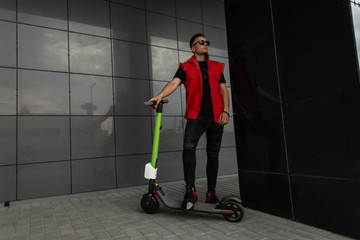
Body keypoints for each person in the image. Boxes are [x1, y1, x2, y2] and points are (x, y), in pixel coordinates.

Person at [148, 33, 230, 211]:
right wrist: (160, 96)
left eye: (206, 41)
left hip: (217, 117)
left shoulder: (217, 67)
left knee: (213, 155)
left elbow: (224, 90)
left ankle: (211, 194)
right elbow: (174, 83)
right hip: (196, 116)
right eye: (201, 42)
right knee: (188, 149)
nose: (205, 44)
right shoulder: (186, 67)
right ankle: (190, 191)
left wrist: (226, 110)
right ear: (193, 48)